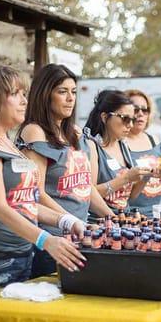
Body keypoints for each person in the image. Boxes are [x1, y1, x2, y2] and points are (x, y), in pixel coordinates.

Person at [0, 62, 85, 297]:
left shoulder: (7, 142)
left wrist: (67, 221)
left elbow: (25, 203)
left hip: (21, 254)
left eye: (24, 94)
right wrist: (47, 241)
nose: (25, 100)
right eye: (16, 94)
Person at [16, 64, 114, 278]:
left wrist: (112, 217)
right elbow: (36, 193)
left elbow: (85, 186)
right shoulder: (35, 131)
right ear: (45, 95)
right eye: (62, 92)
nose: (71, 98)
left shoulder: (75, 133)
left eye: (74, 92)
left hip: (79, 236)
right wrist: (71, 221)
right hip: (50, 240)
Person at [84, 90, 152, 216]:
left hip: (123, 221)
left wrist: (147, 176)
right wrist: (126, 178)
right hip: (99, 223)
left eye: (132, 119)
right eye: (125, 119)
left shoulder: (123, 144)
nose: (130, 125)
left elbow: (129, 197)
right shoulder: (91, 146)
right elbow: (88, 193)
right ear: (105, 117)